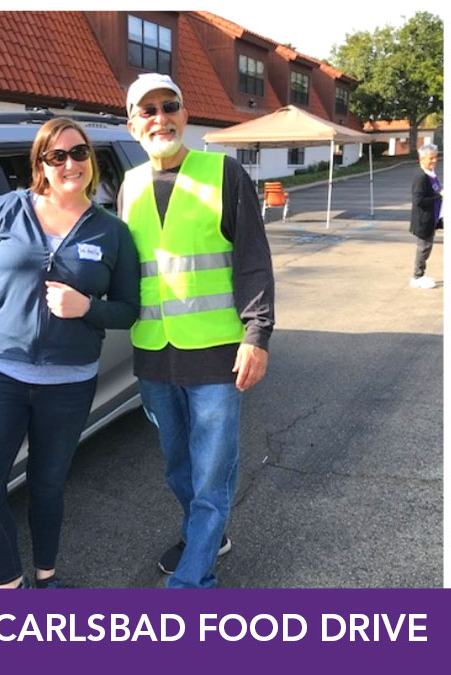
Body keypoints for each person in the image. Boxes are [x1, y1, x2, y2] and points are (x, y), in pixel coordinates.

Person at [0, 118, 140, 588]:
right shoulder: (8, 210)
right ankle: (12, 585)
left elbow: (129, 311)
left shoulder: (112, 232)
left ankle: (47, 577)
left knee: (47, 487)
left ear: (91, 160)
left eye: (79, 153)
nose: (70, 163)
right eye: (57, 156)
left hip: (68, 385)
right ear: (41, 166)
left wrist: (86, 307)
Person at [118, 73, 275, 588]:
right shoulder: (130, 184)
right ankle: (207, 535)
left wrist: (257, 333)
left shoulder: (224, 173)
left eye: (169, 107)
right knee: (177, 466)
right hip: (153, 352)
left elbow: (252, 257)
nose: (160, 118)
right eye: (148, 111)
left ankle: (192, 582)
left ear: (185, 115)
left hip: (215, 352)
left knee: (211, 471)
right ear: (133, 124)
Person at [409, 143, 442, 289]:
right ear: (421, 159)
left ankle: (421, 274)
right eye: (431, 158)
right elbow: (419, 200)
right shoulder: (421, 177)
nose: (434, 161)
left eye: (436, 158)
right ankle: (417, 276)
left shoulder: (431, 174)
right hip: (423, 220)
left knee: (427, 248)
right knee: (423, 248)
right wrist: (439, 196)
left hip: (432, 217)